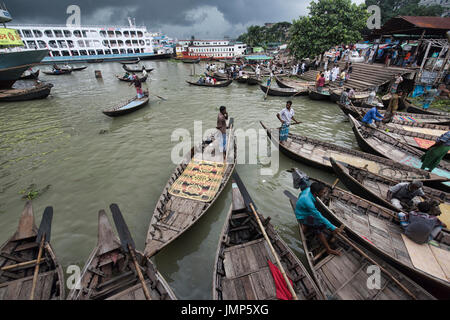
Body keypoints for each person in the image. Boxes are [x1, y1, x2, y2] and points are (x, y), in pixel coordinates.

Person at [295, 182, 341, 256]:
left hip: (304, 211)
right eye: (322, 192)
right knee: (318, 229)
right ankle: (328, 249)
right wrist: (332, 227)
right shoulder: (308, 202)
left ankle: (304, 228)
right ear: (316, 193)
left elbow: (300, 195)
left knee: (318, 221)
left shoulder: (308, 189)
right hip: (302, 216)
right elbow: (319, 217)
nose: (324, 193)